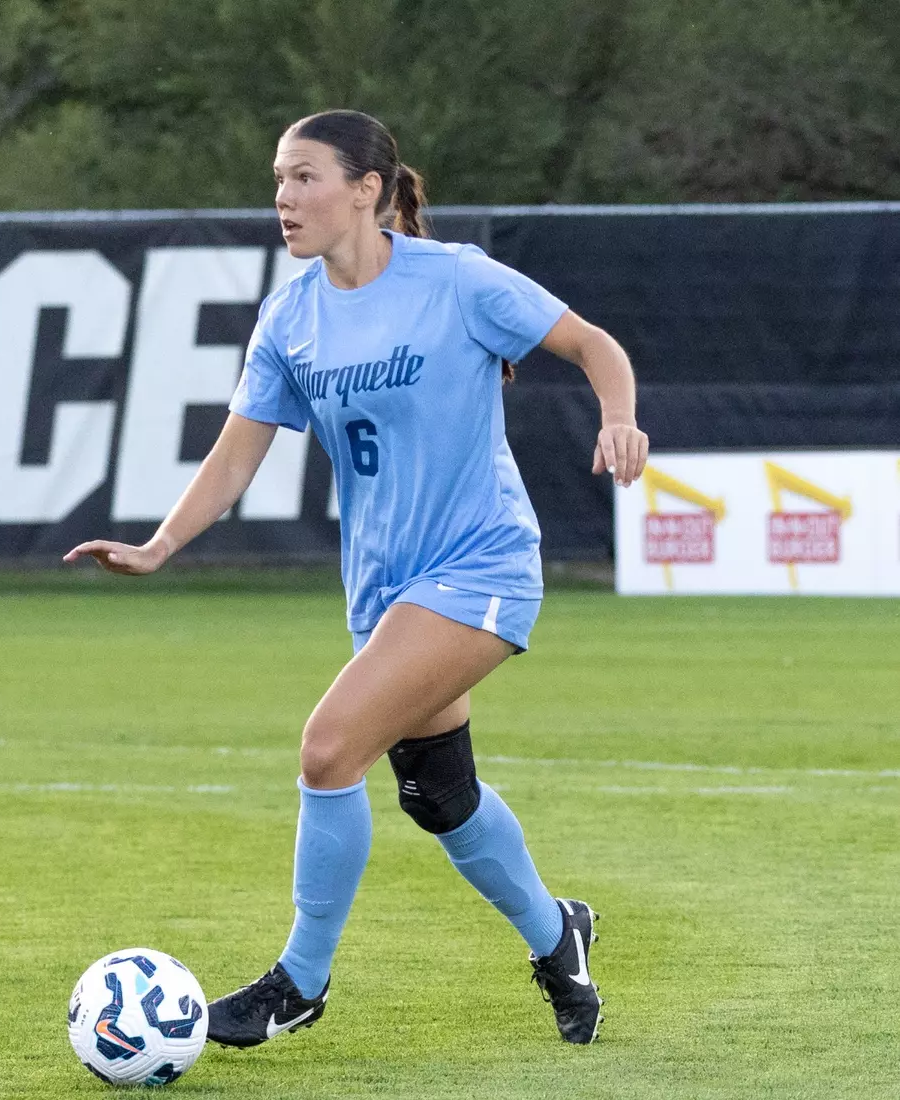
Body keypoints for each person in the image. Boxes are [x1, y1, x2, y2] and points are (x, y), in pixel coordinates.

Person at [64, 109, 648, 1047]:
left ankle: (299, 980)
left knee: (329, 749)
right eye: (279, 180)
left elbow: (593, 345)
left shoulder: (455, 279)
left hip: (481, 565)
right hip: (384, 592)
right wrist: (160, 545)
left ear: (367, 189)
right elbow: (234, 458)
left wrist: (617, 416)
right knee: (440, 798)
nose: (285, 198)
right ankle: (558, 937)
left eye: (305, 177)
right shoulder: (289, 315)